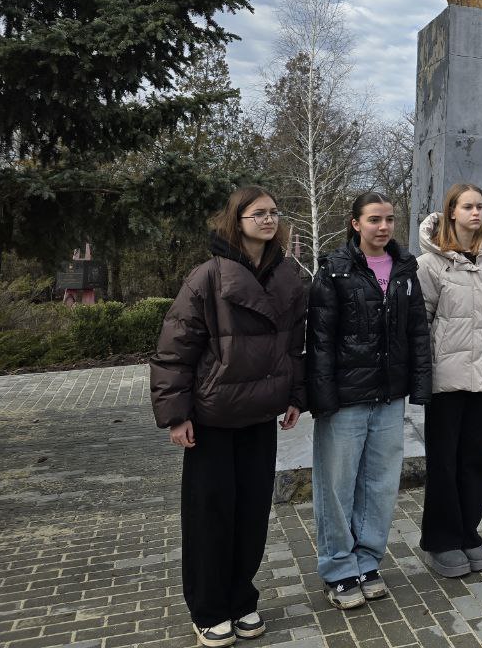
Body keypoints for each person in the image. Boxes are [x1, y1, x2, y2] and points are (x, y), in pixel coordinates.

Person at [150, 186, 306, 648]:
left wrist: (296, 395)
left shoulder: (289, 278)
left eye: (274, 213)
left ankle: (242, 598)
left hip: (260, 415)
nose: (268, 220)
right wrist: (177, 415)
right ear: (236, 220)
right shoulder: (207, 277)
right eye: (258, 213)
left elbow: (296, 346)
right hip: (213, 416)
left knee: (252, 513)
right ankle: (209, 608)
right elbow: (174, 350)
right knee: (209, 514)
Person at [307, 193, 431, 608]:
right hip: (345, 398)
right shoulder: (334, 269)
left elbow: (417, 332)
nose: (384, 227)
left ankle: (368, 560)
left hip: (388, 395)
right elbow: (320, 339)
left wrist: (419, 386)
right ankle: (338, 568)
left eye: (390, 219)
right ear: (355, 223)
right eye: (374, 219)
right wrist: (322, 396)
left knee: (379, 484)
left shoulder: (405, 269)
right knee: (337, 486)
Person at [416, 183, 482, 576]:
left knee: (475, 461)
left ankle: (467, 531)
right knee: (444, 462)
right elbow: (420, 321)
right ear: (451, 211)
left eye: (480, 206)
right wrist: (429, 366)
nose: (476, 213)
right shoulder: (431, 264)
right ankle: (440, 540)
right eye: (468, 206)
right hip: (447, 380)